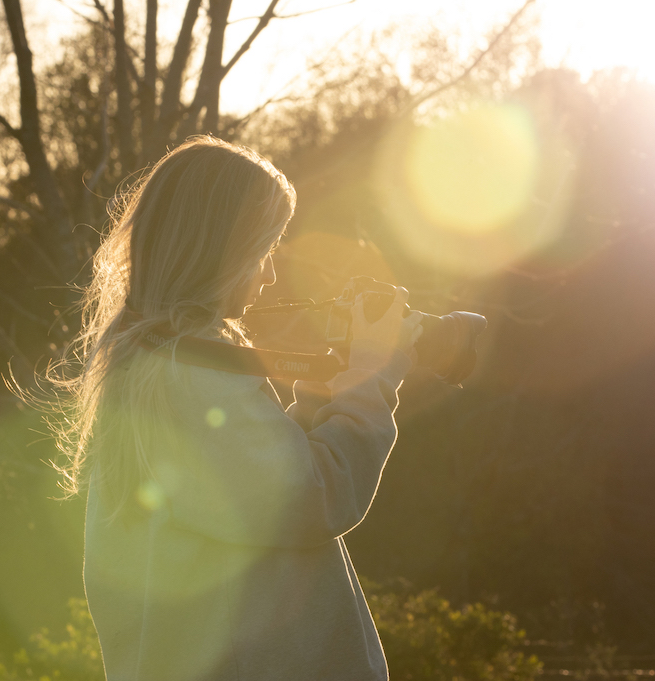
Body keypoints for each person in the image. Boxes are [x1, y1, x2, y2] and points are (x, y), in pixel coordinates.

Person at [55, 136, 422, 681]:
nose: (270, 274)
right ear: (220, 252)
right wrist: (369, 377)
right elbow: (313, 497)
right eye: (263, 252)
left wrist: (328, 383)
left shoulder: (153, 360)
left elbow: (261, 483)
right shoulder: (192, 376)